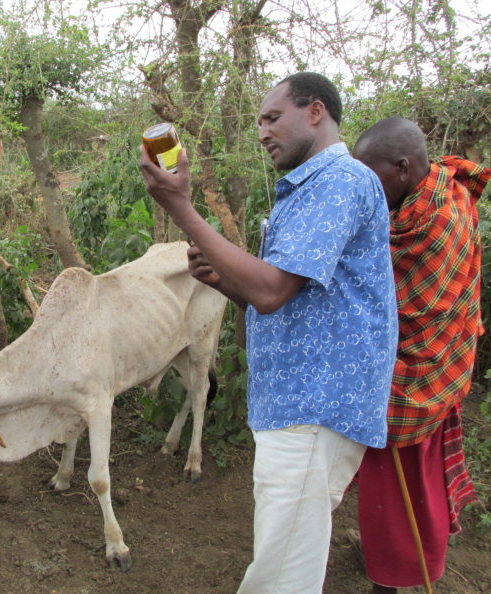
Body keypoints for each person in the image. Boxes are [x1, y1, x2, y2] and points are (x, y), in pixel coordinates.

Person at [139, 72, 398, 592]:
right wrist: (227, 280)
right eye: (259, 121)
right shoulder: (305, 190)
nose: (261, 132)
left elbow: (273, 290)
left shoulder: (340, 181)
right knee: (285, 561)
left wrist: (181, 206)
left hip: (314, 404)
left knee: (282, 578)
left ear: (316, 112)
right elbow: (278, 301)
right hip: (295, 403)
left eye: (273, 118)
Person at [352, 117, 488, 592]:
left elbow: (410, 309)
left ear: (405, 168)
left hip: (419, 376)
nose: (368, 188)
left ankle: (395, 579)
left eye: (373, 176)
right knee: (384, 491)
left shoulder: (438, 221)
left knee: (405, 490)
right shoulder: (428, 195)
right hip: (422, 371)